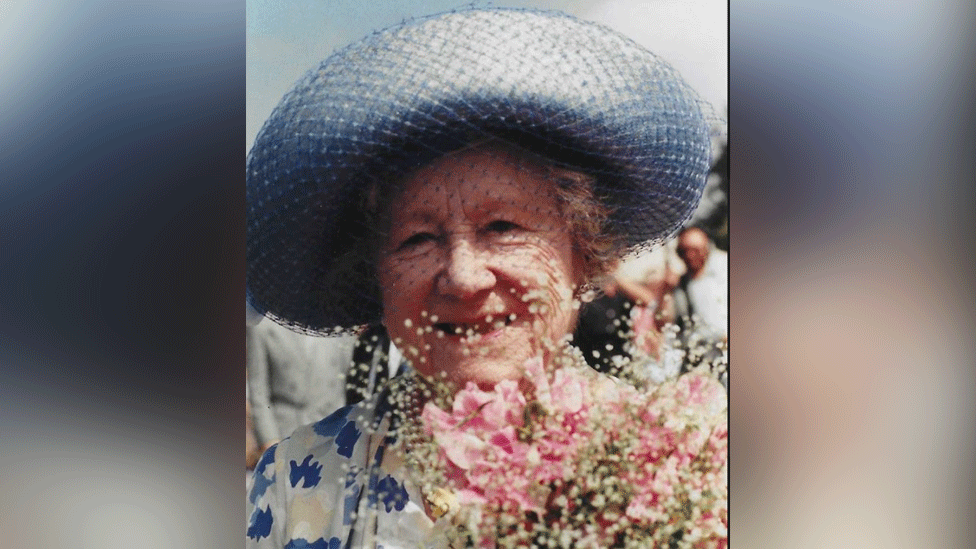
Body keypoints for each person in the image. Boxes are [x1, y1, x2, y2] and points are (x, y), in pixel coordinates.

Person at [245, 8, 717, 548]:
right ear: (375, 279)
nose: (464, 277)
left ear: (582, 255)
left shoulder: (669, 465)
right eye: (417, 239)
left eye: (502, 226)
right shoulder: (290, 481)